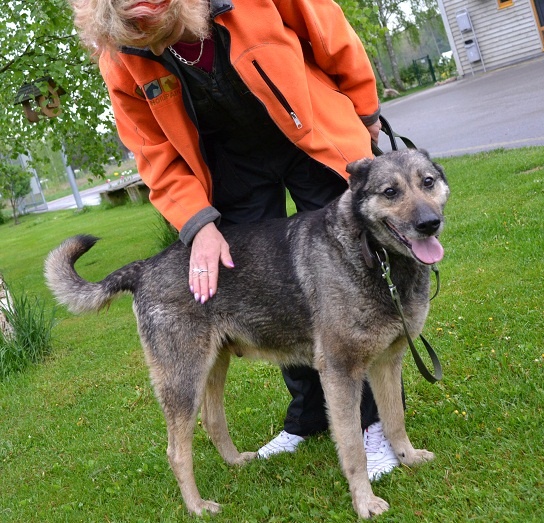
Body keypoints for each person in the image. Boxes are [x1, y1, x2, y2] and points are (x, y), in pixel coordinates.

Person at [70, 0, 399, 480]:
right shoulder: (120, 54)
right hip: (230, 160)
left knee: (350, 272)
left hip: (309, 128)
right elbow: (153, 152)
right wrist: (198, 224)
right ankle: (309, 415)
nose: (154, 50)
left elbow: (329, 32)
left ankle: (371, 425)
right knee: (269, 288)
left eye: (160, 34)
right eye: (139, 41)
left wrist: (365, 109)